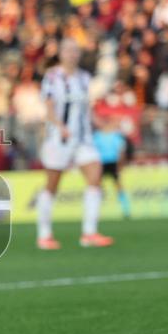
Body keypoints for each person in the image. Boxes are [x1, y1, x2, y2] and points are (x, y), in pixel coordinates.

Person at [36, 39, 113, 249]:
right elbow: (49, 108)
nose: (72, 55)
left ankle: (89, 233)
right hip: (59, 138)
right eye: (68, 51)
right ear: (60, 54)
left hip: (83, 139)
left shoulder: (84, 78)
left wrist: (104, 124)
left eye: (75, 51)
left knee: (95, 177)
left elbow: (86, 110)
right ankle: (44, 234)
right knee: (52, 185)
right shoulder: (52, 77)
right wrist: (59, 126)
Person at [93, 118, 131, 219]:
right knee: (97, 187)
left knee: (119, 186)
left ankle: (126, 209)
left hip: (113, 162)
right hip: (101, 163)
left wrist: (120, 165)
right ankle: (96, 210)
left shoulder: (116, 136)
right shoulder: (97, 136)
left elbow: (121, 152)